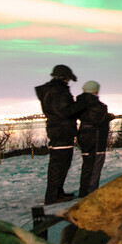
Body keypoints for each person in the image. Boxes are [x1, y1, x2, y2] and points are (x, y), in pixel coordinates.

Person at [34, 64, 78, 204]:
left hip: (58, 129)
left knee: (61, 164)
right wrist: (81, 104)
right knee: (59, 164)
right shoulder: (58, 92)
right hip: (62, 130)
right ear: (64, 78)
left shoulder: (52, 91)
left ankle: (57, 192)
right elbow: (65, 111)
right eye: (67, 79)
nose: (68, 82)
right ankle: (53, 195)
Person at [68, 80, 114, 197]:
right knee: (95, 164)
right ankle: (89, 192)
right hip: (96, 136)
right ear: (95, 90)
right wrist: (108, 117)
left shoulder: (80, 102)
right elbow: (97, 118)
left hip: (85, 136)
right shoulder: (93, 103)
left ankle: (85, 190)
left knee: (88, 164)